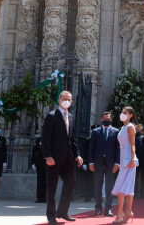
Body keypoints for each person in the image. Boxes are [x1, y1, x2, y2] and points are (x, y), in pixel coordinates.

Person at [41, 90, 83, 225]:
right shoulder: (51, 116)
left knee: (71, 183)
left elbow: (73, 139)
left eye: (69, 99)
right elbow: (45, 138)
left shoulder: (70, 117)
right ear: (59, 100)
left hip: (68, 158)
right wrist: (47, 156)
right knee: (52, 188)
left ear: (71, 102)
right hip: (53, 159)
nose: (66, 100)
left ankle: (63, 212)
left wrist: (77, 155)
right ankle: (51, 216)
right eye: (64, 98)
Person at [111, 106, 140, 224]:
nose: (122, 114)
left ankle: (122, 212)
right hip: (123, 158)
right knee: (122, 187)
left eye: (125, 113)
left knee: (125, 187)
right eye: (122, 112)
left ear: (131, 115)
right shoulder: (122, 127)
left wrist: (132, 158)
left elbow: (133, 144)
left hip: (129, 159)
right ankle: (127, 211)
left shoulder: (130, 127)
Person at [89, 111, 119, 216]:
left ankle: (108, 209)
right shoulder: (96, 131)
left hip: (111, 164)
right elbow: (91, 148)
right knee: (98, 185)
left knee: (109, 187)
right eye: (104, 118)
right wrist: (91, 162)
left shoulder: (116, 131)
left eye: (108, 118)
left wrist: (117, 163)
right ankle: (98, 208)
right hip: (98, 163)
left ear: (111, 120)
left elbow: (118, 149)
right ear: (101, 119)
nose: (106, 120)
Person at [31, 135, 46, 203]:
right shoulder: (39, 140)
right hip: (39, 163)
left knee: (47, 181)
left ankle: (46, 197)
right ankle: (40, 197)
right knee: (40, 181)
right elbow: (34, 152)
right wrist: (33, 162)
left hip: (48, 164)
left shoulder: (52, 138)